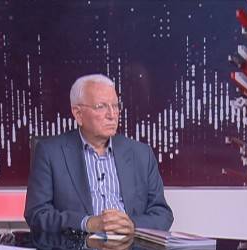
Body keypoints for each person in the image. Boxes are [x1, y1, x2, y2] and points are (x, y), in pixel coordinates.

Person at [24, 74, 174, 235]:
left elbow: (162, 214)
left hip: (130, 246)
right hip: (77, 247)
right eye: (101, 107)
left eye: (115, 106)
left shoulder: (141, 154)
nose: (112, 115)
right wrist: (87, 223)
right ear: (78, 114)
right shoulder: (50, 153)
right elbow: (37, 215)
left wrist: (132, 225)